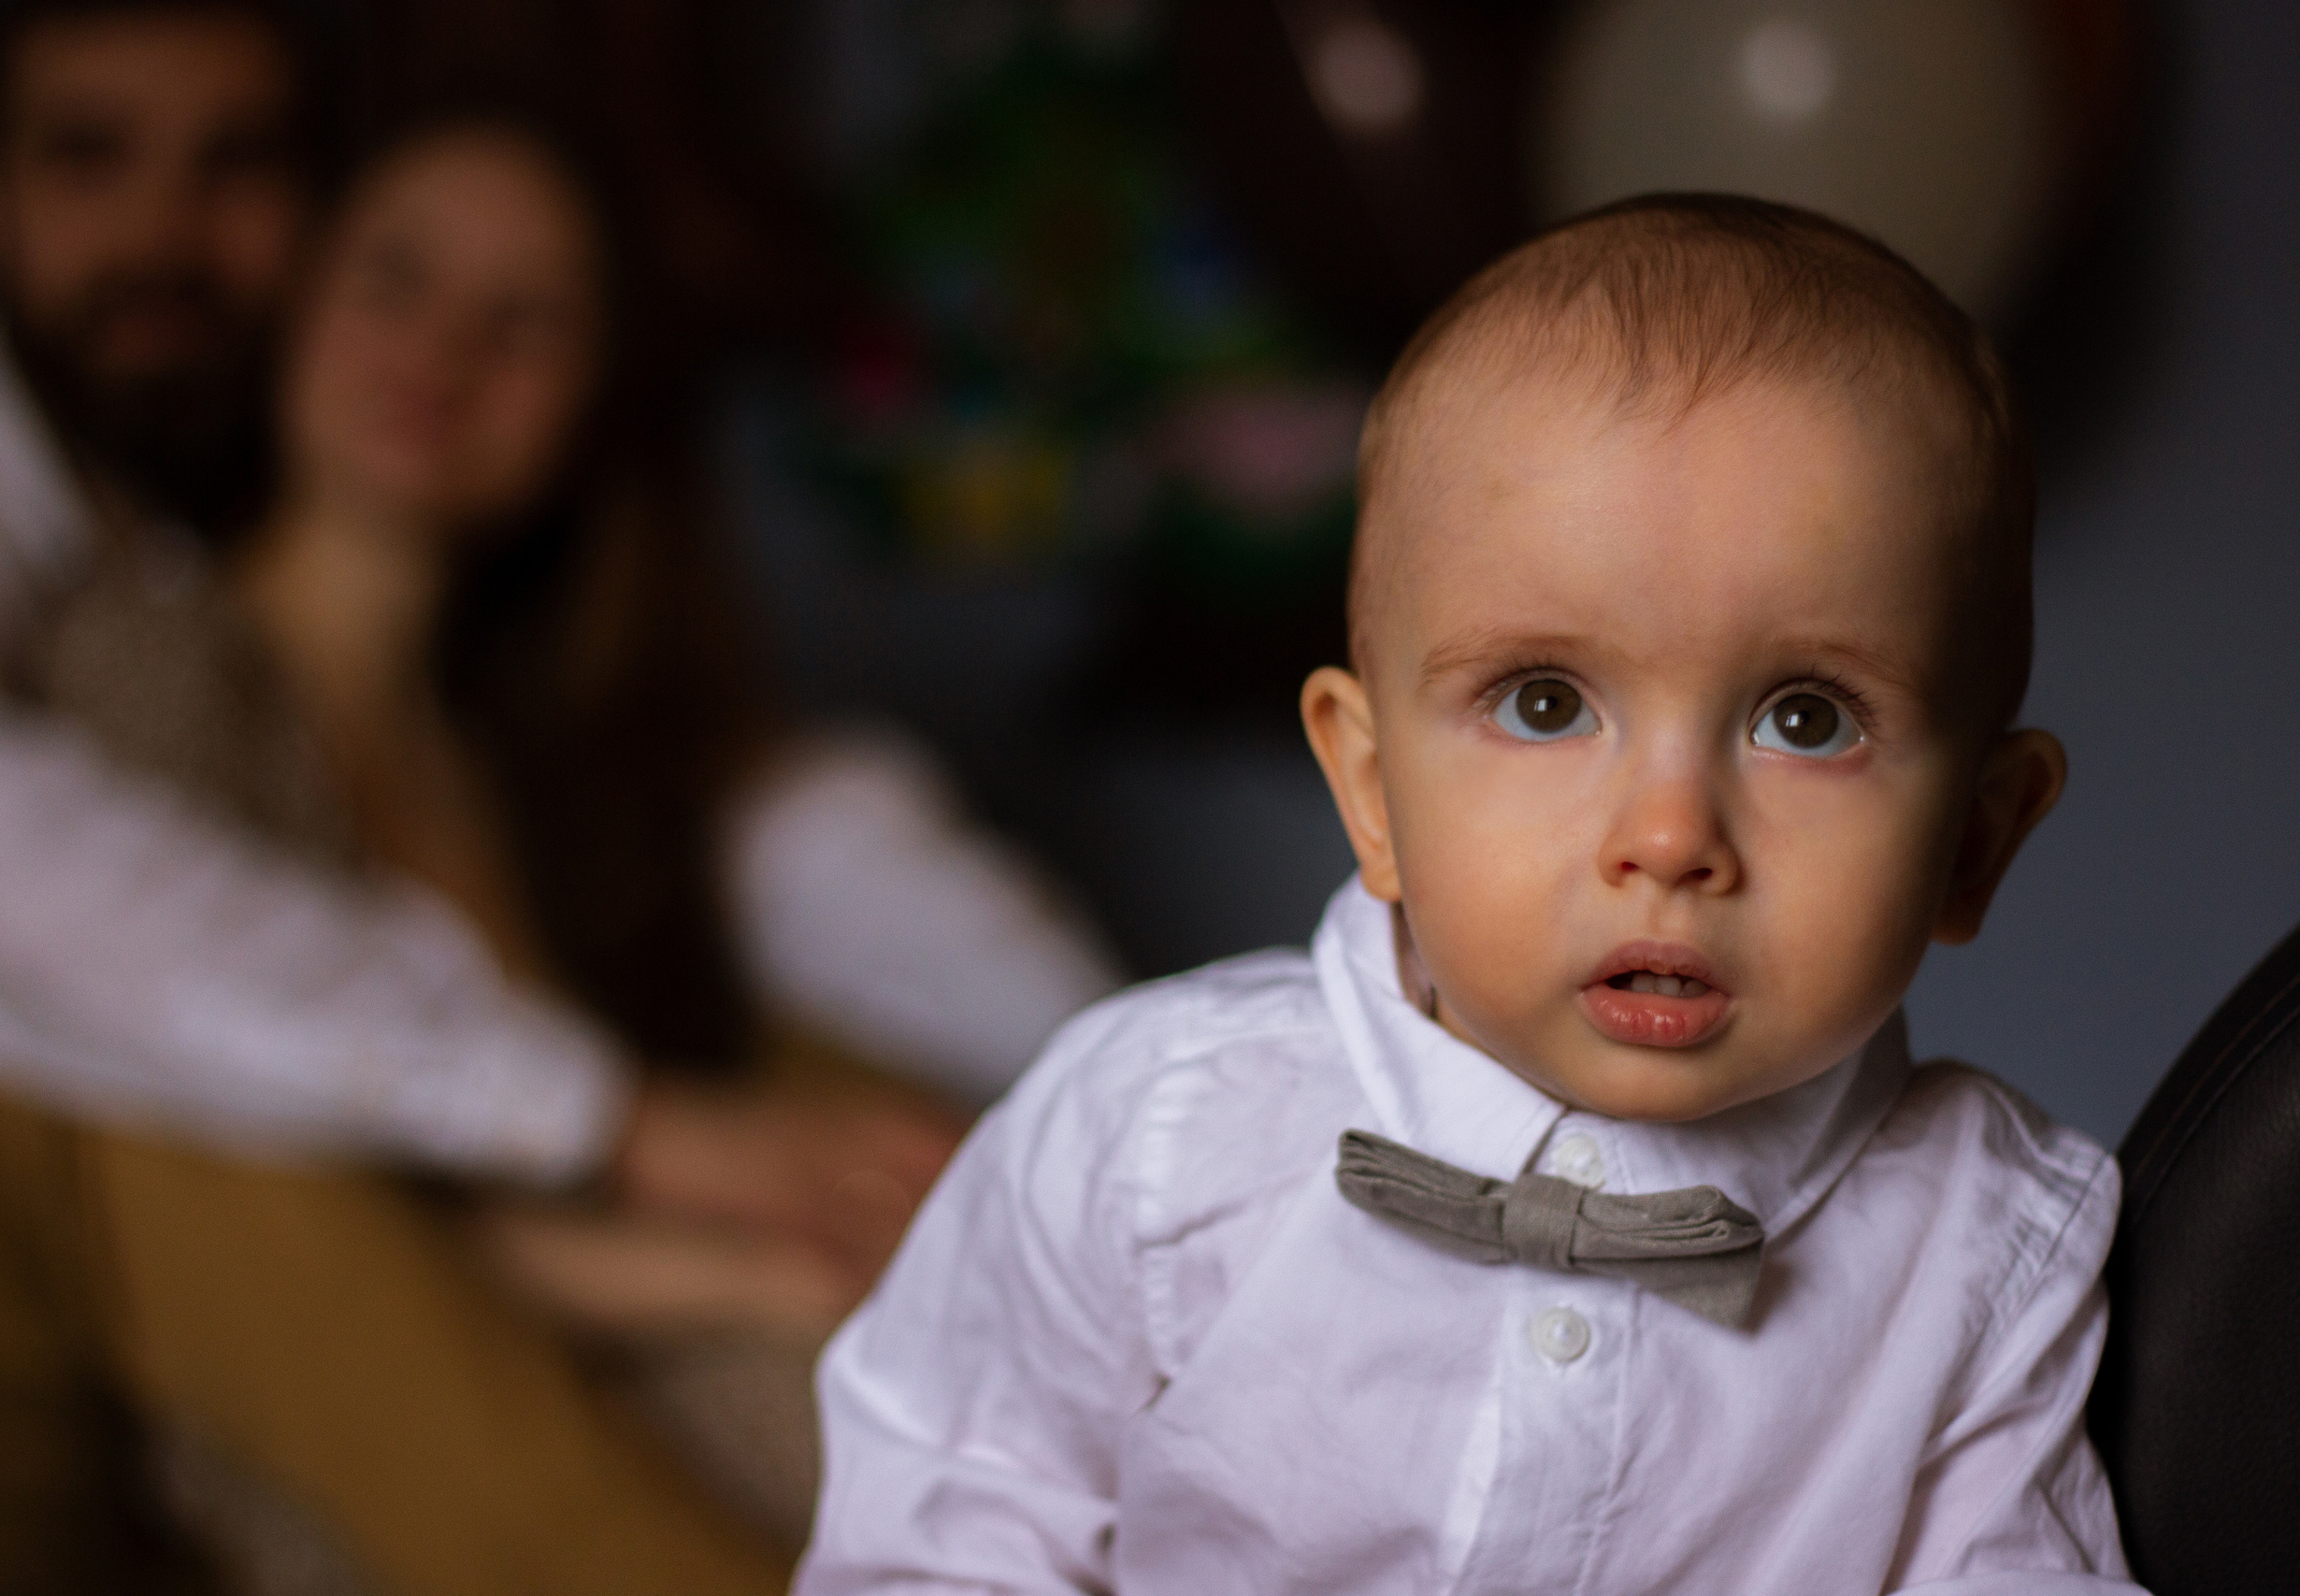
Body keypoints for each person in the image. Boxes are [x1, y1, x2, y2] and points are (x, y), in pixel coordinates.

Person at [0, 2, 1117, 1589]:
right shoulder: (140, 670)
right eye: (395, 278)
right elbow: (274, 1227)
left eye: (524, 319)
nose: (442, 352)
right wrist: (741, 1266)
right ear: (302, 302)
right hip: (412, 1431)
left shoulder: (537, 748)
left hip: (700, 1366)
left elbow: (868, 883)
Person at [797, 195, 2141, 1593]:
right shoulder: (1153, 1137)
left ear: (1975, 841)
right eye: (1545, 702)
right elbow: (938, 1535)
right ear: (1374, 790)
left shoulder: (1989, 1251)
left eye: (1806, 720)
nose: (1670, 836)